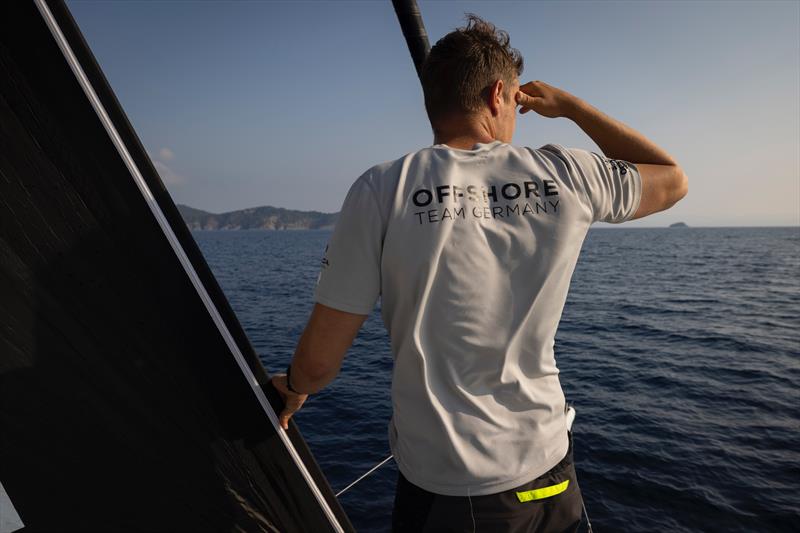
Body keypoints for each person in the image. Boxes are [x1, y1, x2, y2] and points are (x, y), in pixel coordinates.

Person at [271, 14, 687, 533]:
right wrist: (572, 108)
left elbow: (317, 365)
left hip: (453, 488)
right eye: (516, 102)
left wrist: (293, 386)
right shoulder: (567, 173)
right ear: (498, 95)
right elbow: (672, 179)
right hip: (550, 466)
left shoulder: (381, 189)